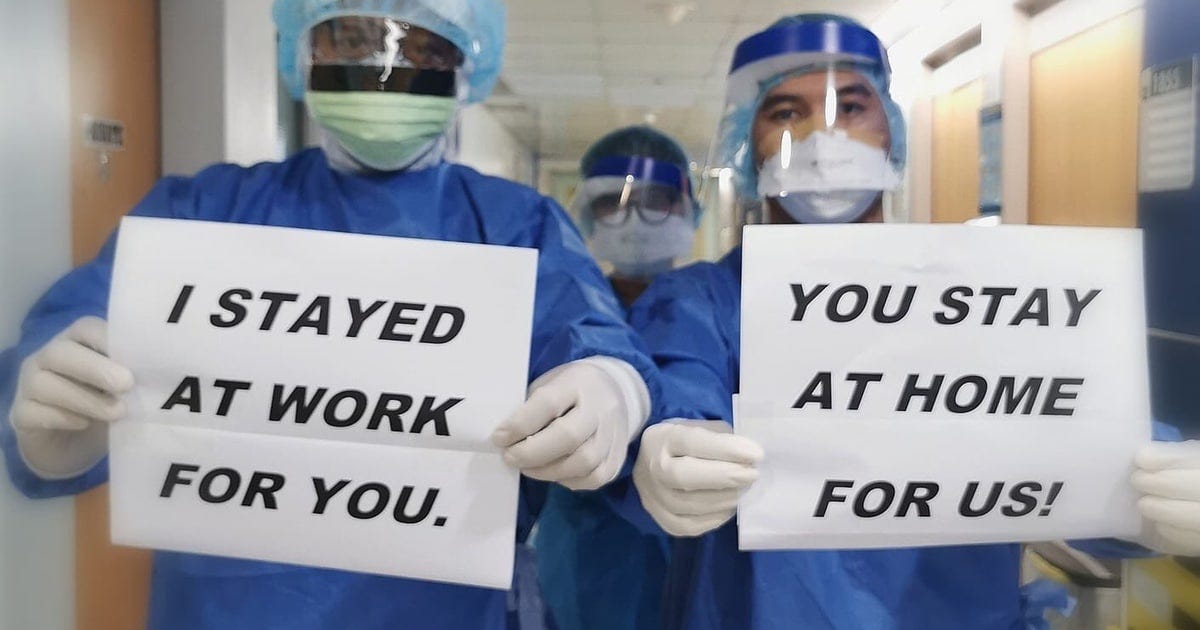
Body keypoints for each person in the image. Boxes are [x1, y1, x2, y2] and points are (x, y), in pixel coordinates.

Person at [0, 2, 660, 628]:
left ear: (467, 63)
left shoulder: (515, 227)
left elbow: (588, 335)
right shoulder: (203, 214)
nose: (385, 66)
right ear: (303, 51)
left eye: (423, 46)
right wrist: (52, 421)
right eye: (352, 38)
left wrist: (611, 387)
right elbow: (78, 327)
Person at [621, 13, 1200, 629]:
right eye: (787, 114)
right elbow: (681, 391)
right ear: (749, 146)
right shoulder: (703, 303)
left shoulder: (981, 295)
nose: (823, 137)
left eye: (851, 108)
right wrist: (663, 445)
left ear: (891, 133)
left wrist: (1148, 489)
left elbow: (1069, 418)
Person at [535, 126, 699, 630]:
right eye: (613, 202)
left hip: (696, 545)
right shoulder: (560, 313)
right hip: (581, 551)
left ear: (689, 208)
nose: (634, 218)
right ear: (586, 210)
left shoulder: (713, 308)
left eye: (657, 201)